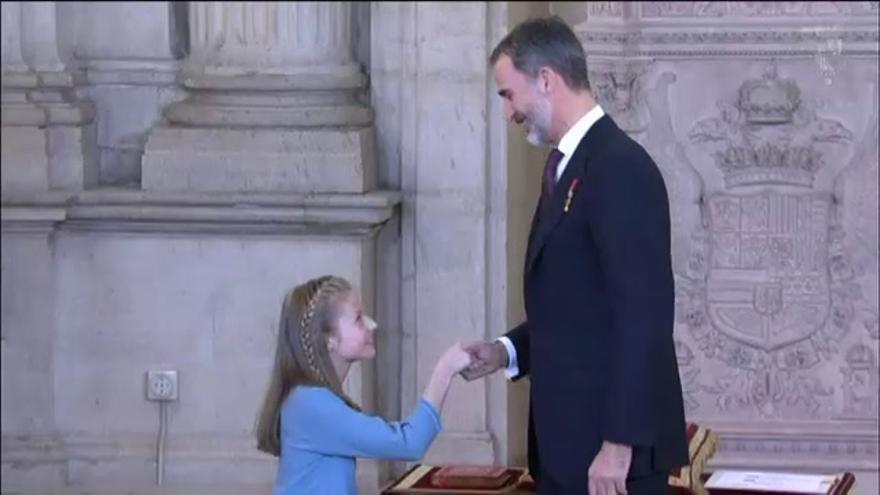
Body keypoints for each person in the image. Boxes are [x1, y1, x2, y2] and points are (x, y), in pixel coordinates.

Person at [461, 16, 689, 495]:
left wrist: (619, 444)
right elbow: (581, 308)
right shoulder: (567, 165)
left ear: (546, 79)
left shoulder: (620, 168)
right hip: (568, 449)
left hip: (609, 460)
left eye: (508, 94)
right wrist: (506, 351)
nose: (508, 113)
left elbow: (643, 316)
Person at [256, 275, 472, 495]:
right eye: (358, 318)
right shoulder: (310, 403)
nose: (372, 324)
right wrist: (445, 369)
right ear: (328, 338)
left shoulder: (309, 397)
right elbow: (409, 442)